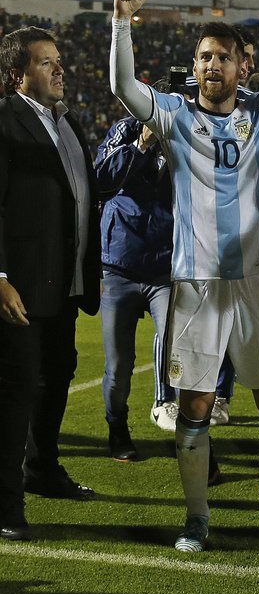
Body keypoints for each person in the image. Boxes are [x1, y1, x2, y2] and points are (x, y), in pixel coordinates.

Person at [109, 0, 259, 551]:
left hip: (258, 282)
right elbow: (122, 88)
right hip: (196, 287)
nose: (212, 65)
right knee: (196, 404)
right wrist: (120, 22)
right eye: (204, 57)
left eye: (223, 57)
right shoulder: (174, 116)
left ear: (243, 66)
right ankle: (197, 519)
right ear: (195, 66)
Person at [0, 26, 101, 541]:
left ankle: (42, 470)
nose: (60, 69)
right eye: (46, 63)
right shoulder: (5, 122)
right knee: (16, 392)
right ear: (19, 74)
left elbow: (83, 195)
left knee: (57, 375)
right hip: (20, 288)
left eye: (59, 60)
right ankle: (4, 504)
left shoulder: (67, 122)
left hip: (64, 283)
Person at [94, 98, 180, 460]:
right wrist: (142, 144)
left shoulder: (187, 138)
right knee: (119, 366)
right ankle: (118, 428)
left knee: (179, 344)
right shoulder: (125, 130)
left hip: (165, 267)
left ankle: (171, 409)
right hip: (121, 267)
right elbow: (102, 179)